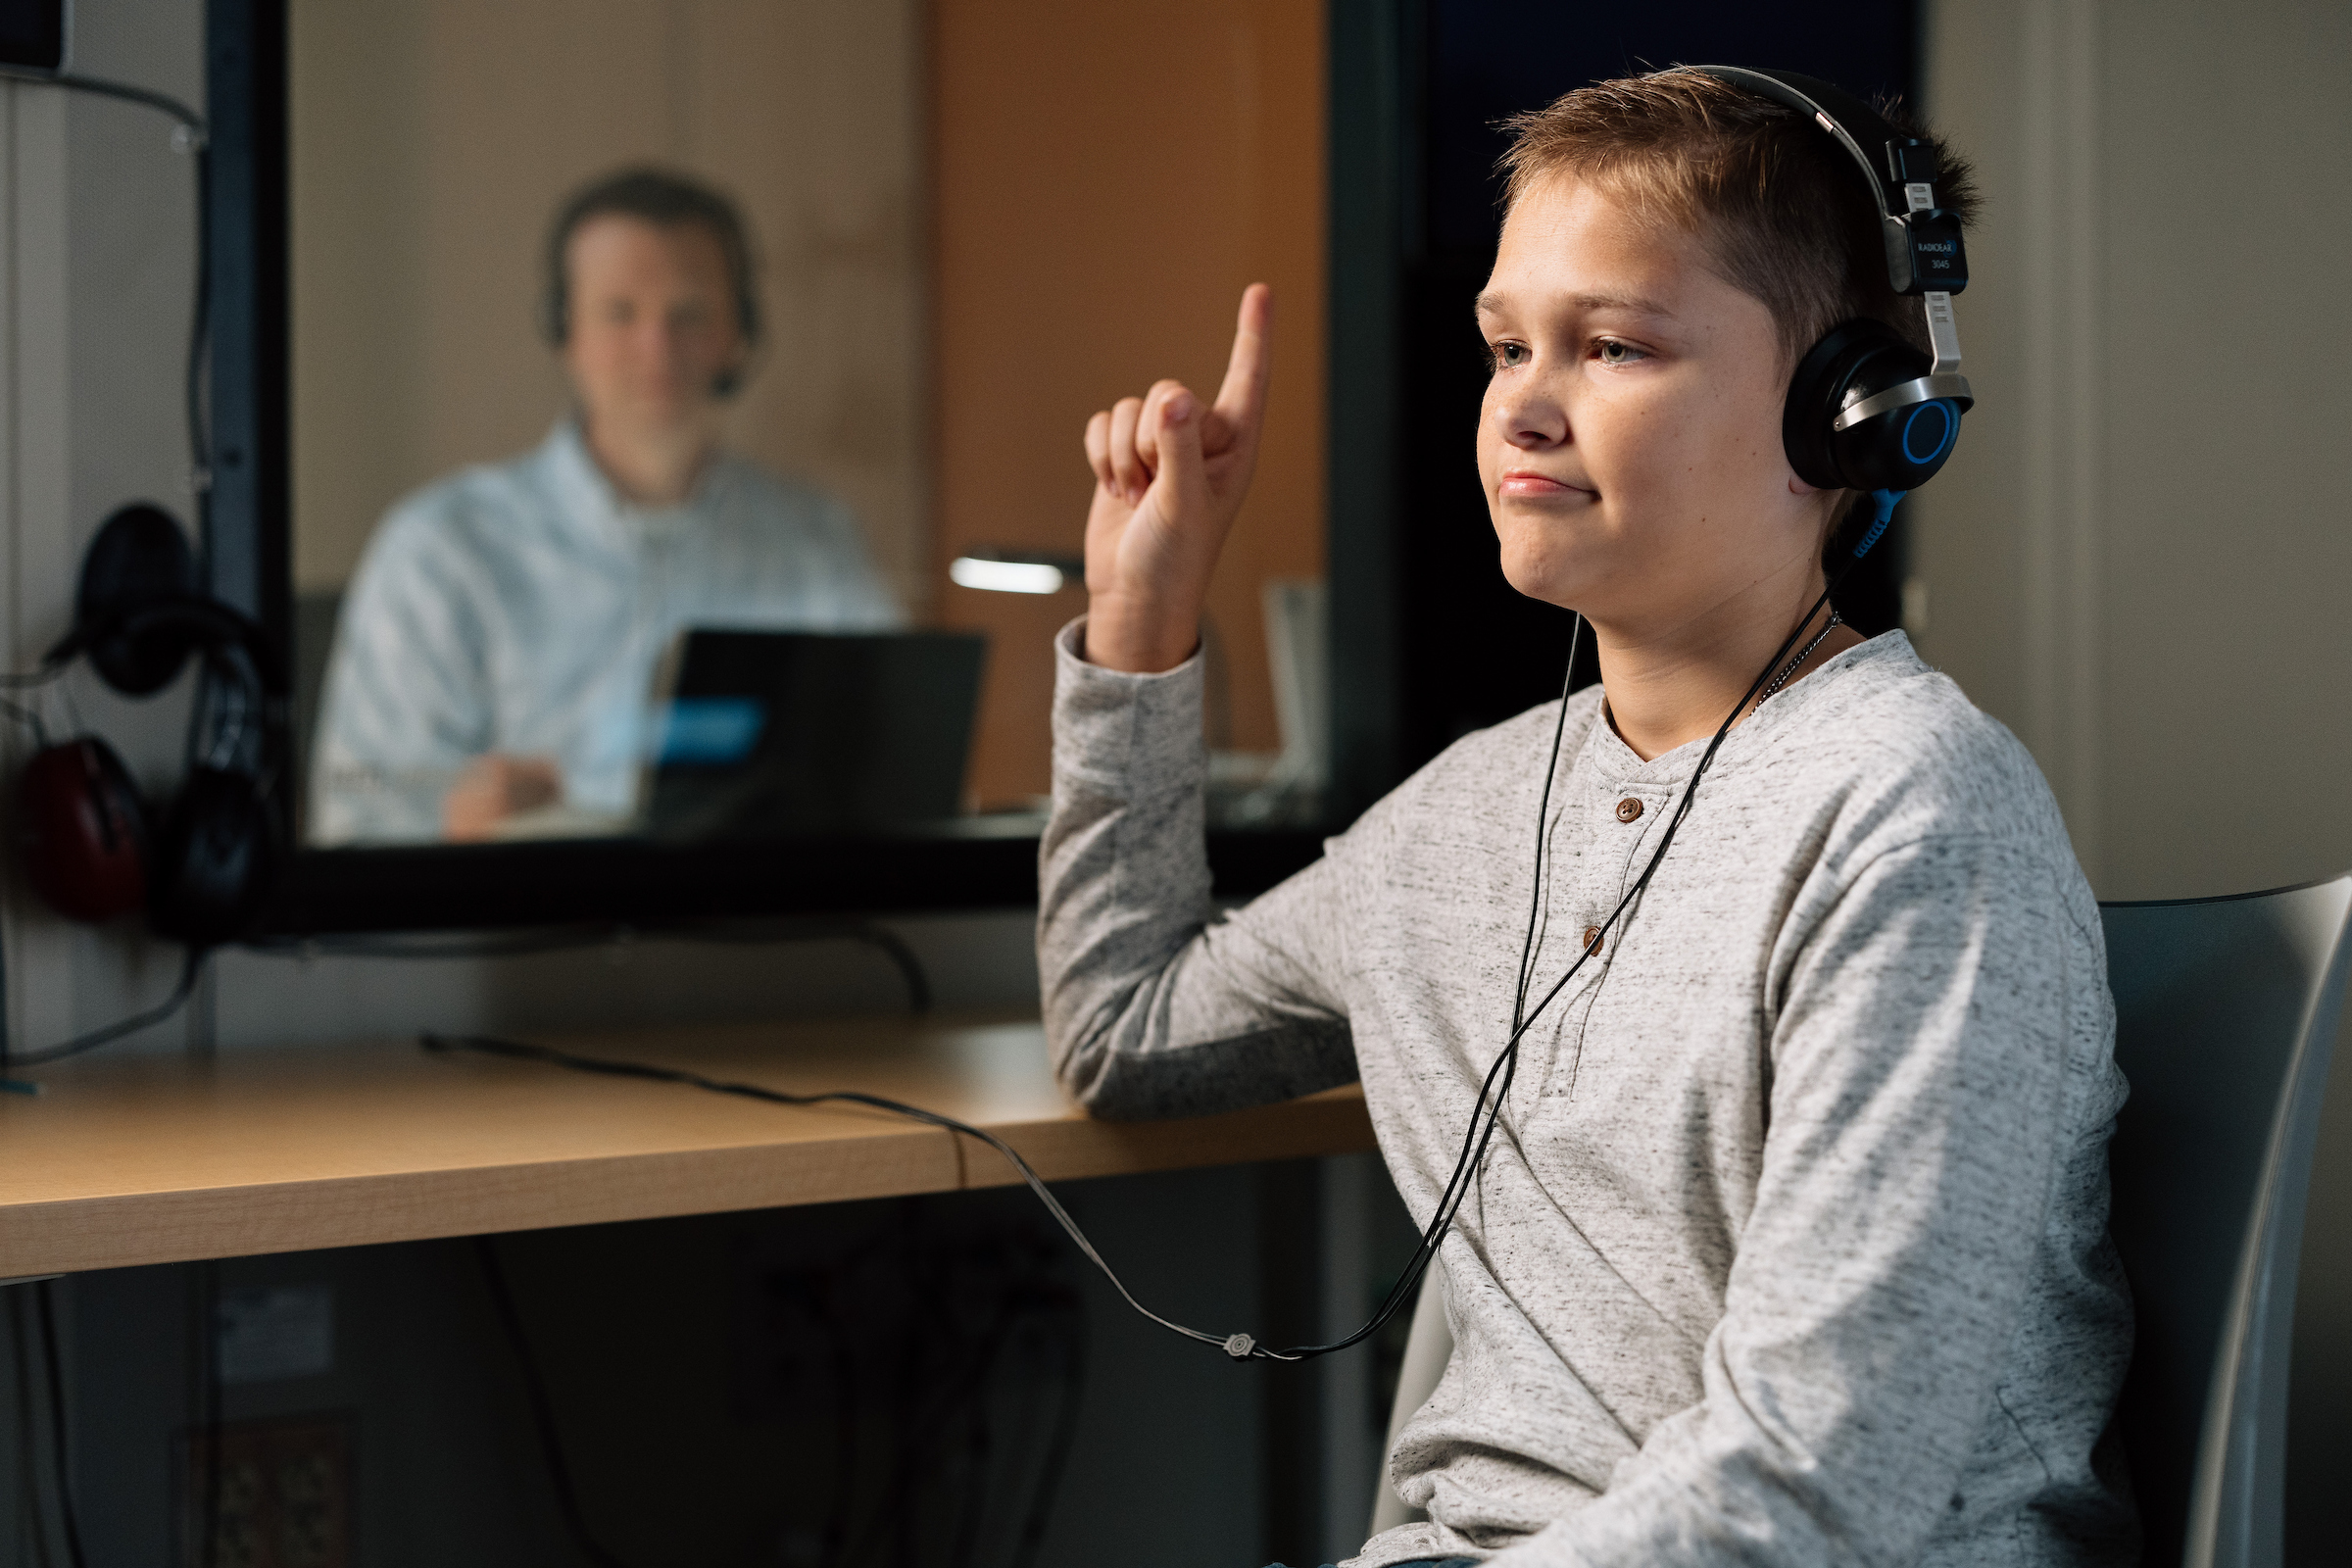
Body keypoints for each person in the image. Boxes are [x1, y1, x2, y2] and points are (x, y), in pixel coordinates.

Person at [1040, 69, 2133, 1568]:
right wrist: (1142, 622)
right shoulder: (1469, 816)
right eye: (1505, 346)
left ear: (1850, 411)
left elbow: (1822, 1493)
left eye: (1614, 345)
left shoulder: (1916, 819)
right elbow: (1127, 1029)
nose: (1524, 407)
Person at [310, 167, 902, 845]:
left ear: (741, 331)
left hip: (751, 932)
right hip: (526, 934)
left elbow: (889, 783)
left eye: (690, 314)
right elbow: (354, 801)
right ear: (564, 331)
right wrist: (454, 819)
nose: (657, 349)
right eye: (620, 313)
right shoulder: (443, 546)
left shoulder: (815, 540)